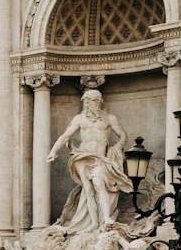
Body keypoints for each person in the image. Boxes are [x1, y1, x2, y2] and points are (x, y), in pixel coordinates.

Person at [47, 88, 132, 233]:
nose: (87, 104)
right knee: (88, 189)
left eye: (90, 101)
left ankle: (106, 218)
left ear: (98, 101)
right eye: (85, 101)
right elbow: (65, 136)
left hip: (99, 158)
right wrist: (53, 151)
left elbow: (123, 135)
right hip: (82, 157)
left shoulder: (109, 118)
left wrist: (117, 147)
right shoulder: (79, 119)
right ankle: (93, 223)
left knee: (99, 183)